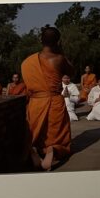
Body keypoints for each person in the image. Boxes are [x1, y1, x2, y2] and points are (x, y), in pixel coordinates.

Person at [20, 26, 73, 171]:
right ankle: (52, 150)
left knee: (35, 134)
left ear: (40, 40)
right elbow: (71, 72)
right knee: (56, 134)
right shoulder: (59, 59)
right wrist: (61, 52)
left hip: (36, 103)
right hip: (55, 102)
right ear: (58, 41)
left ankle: (33, 149)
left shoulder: (28, 62)